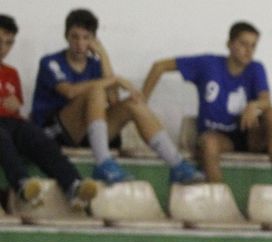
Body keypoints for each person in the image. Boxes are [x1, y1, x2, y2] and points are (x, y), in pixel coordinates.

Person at [29, 8, 200, 185]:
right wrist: (115, 80)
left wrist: (104, 55)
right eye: (75, 37)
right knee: (95, 90)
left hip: (86, 133)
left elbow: (114, 101)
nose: (80, 43)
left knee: (132, 105)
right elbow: (70, 92)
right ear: (66, 36)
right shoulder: (51, 61)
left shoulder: (95, 64)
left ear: (94, 40)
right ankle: (104, 163)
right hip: (52, 132)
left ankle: (177, 164)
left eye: (86, 38)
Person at [141, 21, 272, 186]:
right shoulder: (208, 64)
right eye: (243, 44)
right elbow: (159, 66)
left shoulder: (256, 68)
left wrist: (253, 105)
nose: (248, 51)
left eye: (253, 46)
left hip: (249, 134)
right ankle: (219, 197)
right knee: (208, 142)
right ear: (229, 44)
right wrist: (142, 100)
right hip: (220, 137)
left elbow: (266, 101)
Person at [0, 14, 96, 214]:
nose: (3, 48)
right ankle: (23, 184)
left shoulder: (11, 73)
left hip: (12, 122)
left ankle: (73, 185)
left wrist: (15, 105)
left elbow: (15, 107)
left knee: (40, 139)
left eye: (8, 43)